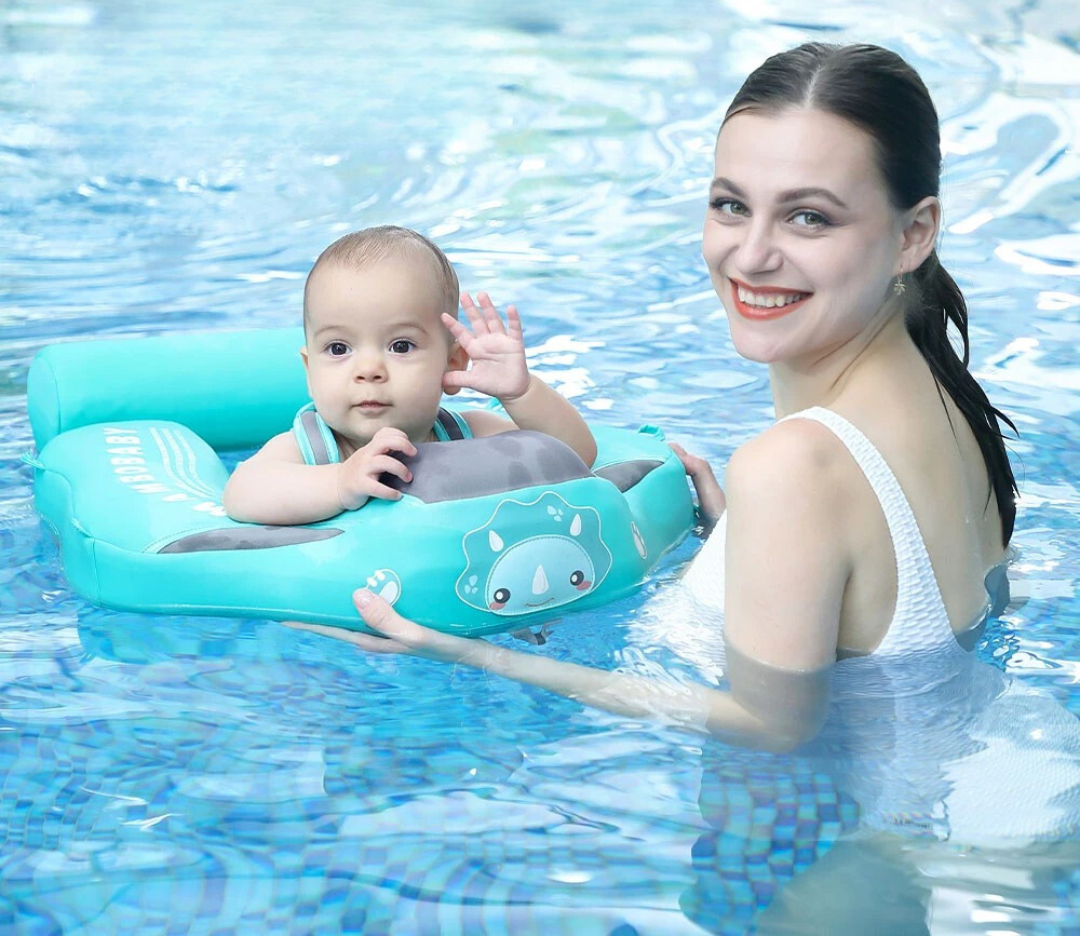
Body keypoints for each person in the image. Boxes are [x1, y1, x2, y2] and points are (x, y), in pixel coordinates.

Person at [288, 43, 1019, 752]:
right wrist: (737, 537)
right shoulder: (950, 401)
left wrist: (464, 653)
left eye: (809, 217)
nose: (753, 255)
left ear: (913, 233)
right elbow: (898, 621)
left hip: (839, 851)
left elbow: (772, 727)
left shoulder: (796, 466)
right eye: (732, 205)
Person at [223, 225, 597, 525]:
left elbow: (573, 456)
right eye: (338, 349)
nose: (368, 370)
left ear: (453, 362)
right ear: (310, 370)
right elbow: (241, 493)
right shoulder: (308, 448)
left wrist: (522, 393)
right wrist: (340, 482)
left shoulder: (468, 435)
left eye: (400, 346)